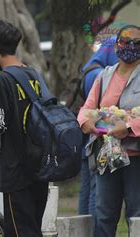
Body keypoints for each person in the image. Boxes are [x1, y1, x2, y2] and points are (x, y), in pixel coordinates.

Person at [0, 20, 49, 236]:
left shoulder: (3, 80)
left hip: (17, 170)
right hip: (40, 167)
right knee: (33, 227)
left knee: (19, 231)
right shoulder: (34, 75)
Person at [77, 25, 140, 237]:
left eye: (136, 43)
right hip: (107, 156)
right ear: (116, 45)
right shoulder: (104, 75)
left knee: (136, 216)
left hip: (136, 158)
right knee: (103, 214)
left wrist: (130, 127)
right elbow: (87, 108)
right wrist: (85, 122)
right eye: (125, 41)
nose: (130, 46)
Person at [78, 36, 118, 217]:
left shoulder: (89, 69)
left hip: (86, 142)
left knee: (86, 190)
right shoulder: (100, 75)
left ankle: (82, 230)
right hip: (98, 141)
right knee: (97, 191)